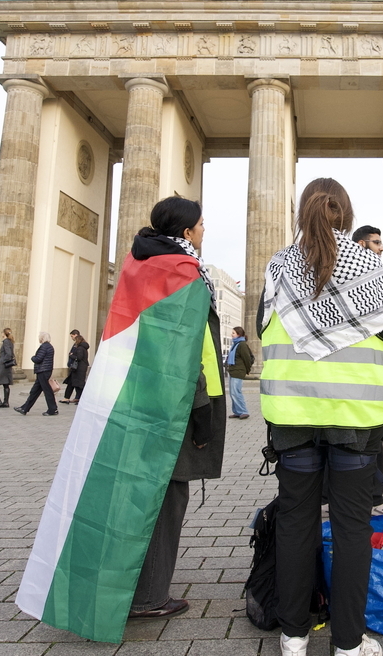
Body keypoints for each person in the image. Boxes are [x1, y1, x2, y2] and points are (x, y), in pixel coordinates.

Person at [260, 178, 383, 656]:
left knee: (295, 526)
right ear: (345, 214)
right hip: (354, 424)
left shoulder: (278, 269)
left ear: (302, 212)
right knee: (351, 531)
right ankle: (347, 643)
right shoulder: (369, 268)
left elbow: (266, 328)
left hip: (291, 420)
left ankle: (293, 636)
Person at [125, 196, 227, 620]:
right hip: (179, 401)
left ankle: (131, 584)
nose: (204, 231)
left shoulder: (142, 263)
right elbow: (182, 349)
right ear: (186, 233)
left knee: (145, 491)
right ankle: (148, 596)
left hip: (142, 395)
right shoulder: (182, 271)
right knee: (168, 497)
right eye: (201, 225)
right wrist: (202, 410)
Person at [353, 224, 383, 515]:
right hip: (362, 378)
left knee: (371, 443)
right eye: (377, 242)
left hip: (368, 377)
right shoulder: (366, 277)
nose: (382, 248)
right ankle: (371, 499)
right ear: (360, 244)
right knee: (369, 443)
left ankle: (369, 498)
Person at [15, 332, 57, 416]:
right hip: (45, 370)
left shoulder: (44, 347)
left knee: (47, 391)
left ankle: (52, 409)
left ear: (42, 338)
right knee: (35, 391)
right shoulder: (49, 346)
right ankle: (24, 408)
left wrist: (32, 357)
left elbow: (38, 359)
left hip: (43, 371)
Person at [225, 326, 252, 419]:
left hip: (238, 371)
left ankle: (243, 411)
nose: (231, 335)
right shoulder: (235, 344)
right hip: (232, 371)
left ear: (238, 334)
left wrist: (247, 370)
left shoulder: (242, 344)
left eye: (233, 333)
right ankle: (237, 411)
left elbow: (247, 358)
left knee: (236, 392)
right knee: (233, 392)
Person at [60, 329, 91, 404]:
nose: (73, 339)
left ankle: (81, 398)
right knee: (73, 383)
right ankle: (68, 398)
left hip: (79, 368)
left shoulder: (80, 348)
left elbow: (79, 358)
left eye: (72, 336)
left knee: (79, 384)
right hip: (76, 368)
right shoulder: (82, 347)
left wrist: (71, 355)